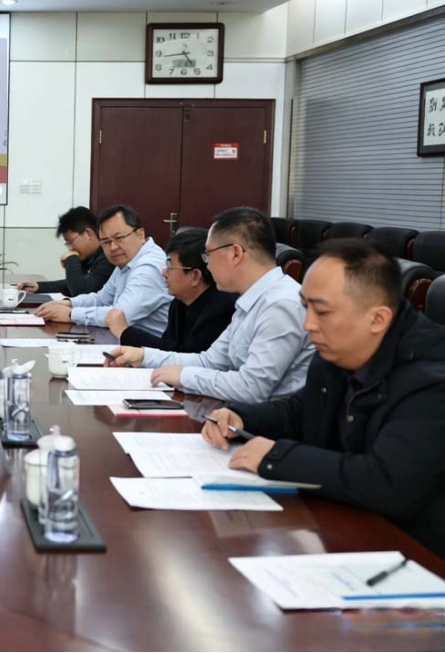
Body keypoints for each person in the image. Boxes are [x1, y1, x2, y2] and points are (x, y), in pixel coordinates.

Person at [203, 239, 445, 556]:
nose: (308, 325)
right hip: (344, 525)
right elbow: (300, 410)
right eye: (305, 307)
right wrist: (241, 417)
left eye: (322, 311)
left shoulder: (431, 380)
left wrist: (277, 457)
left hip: (416, 555)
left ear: (378, 319)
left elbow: (387, 482)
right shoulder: (337, 353)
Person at [106, 207, 313, 403]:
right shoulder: (250, 301)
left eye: (208, 255)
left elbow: (252, 388)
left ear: (235, 254)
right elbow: (209, 361)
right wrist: (143, 355)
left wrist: (184, 376)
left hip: (268, 424)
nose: (208, 265)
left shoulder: (280, 305)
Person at [35, 204, 171, 337]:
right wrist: (68, 303)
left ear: (140, 234)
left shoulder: (149, 267)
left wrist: (71, 314)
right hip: (127, 340)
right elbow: (101, 299)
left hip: (150, 347)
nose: (113, 247)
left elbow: (119, 315)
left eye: (119, 238)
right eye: (106, 242)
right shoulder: (127, 260)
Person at [107, 228, 236, 353]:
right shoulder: (179, 303)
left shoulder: (222, 309)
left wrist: (125, 333)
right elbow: (168, 347)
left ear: (195, 276)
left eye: (169, 266)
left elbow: (187, 356)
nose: (164, 273)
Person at [16, 207, 113, 297]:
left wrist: (72, 259)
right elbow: (74, 284)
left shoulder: (109, 256)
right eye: (67, 244)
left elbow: (81, 292)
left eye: (71, 242)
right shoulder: (90, 256)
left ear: (88, 233)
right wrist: (39, 286)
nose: (70, 248)